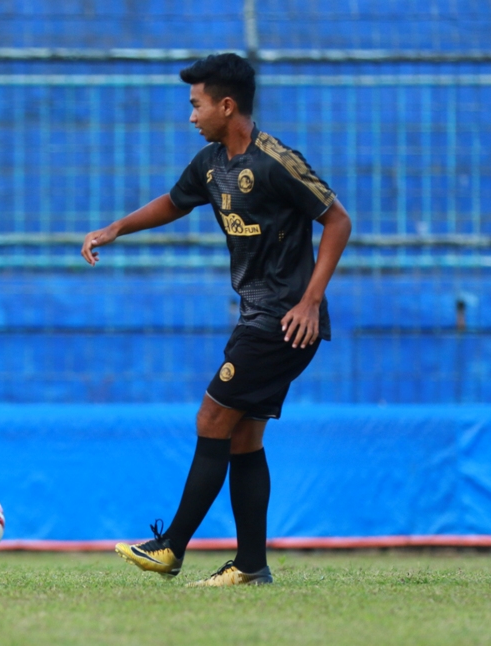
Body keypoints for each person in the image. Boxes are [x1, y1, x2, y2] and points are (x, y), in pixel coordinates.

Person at [81, 53, 352, 586]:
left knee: (212, 419)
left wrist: (311, 300)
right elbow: (176, 202)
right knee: (244, 438)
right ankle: (251, 566)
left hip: (283, 324)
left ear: (227, 106)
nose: (191, 116)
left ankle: (171, 547)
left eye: (196, 104)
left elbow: (338, 220)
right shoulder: (211, 163)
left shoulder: (276, 161)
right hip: (259, 318)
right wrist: (115, 229)